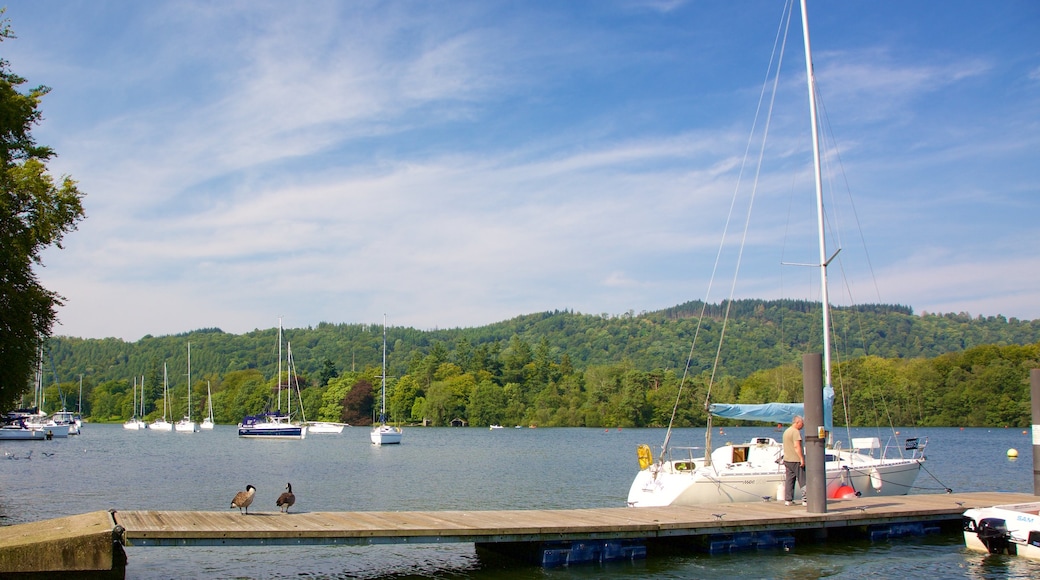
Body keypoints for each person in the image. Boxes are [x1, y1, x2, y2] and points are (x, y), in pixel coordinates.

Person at [782, 415, 805, 506]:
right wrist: (801, 459)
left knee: (789, 480)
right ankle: (806, 500)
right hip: (795, 460)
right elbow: (797, 446)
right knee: (803, 479)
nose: (803, 426)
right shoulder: (795, 432)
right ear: (797, 423)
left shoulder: (786, 431)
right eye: (802, 423)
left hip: (787, 459)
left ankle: (788, 500)